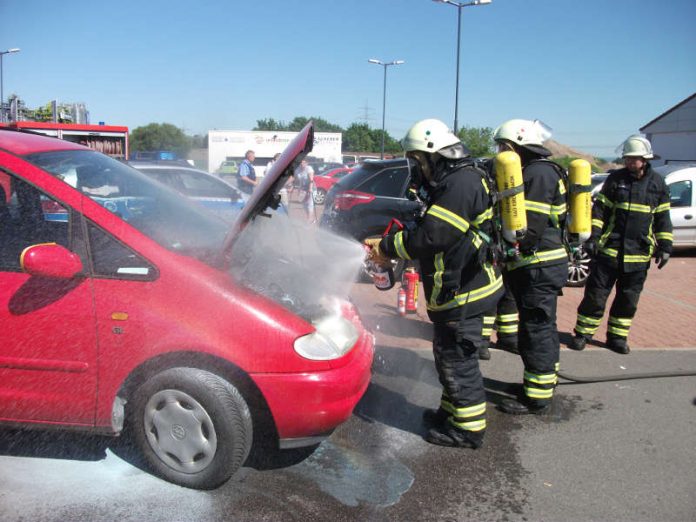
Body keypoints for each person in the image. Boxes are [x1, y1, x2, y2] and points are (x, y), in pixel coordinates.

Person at [369, 119, 503, 449]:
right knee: (448, 356)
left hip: (466, 291)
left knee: (457, 359)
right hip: (462, 286)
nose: (417, 167)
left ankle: (468, 430)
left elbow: (434, 235)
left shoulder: (461, 184)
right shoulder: (456, 180)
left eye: (418, 160)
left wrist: (387, 248)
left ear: (435, 155)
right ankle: (452, 413)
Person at [492, 119, 569, 416]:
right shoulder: (539, 171)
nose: (499, 152)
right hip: (540, 264)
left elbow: (529, 229)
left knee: (536, 329)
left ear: (517, 146)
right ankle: (542, 382)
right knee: (541, 327)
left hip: (539, 264)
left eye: (503, 146)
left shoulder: (538, 173)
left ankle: (536, 397)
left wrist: (506, 249)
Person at [569, 135, 672, 354]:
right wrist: (593, 238)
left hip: (638, 255)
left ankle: (617, 337)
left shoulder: (657, 184)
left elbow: (663, 219)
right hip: (610, 251)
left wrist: (665, 247)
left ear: (644, 159)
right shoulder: (616, 179)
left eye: (632, 159)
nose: (628, 162)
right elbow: (600, 211)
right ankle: (583, 334)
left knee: (628, 299)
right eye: (626, 158)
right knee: (595, 296)